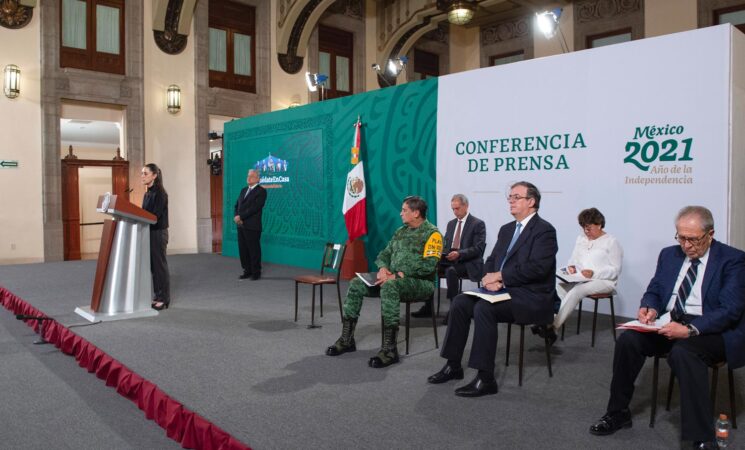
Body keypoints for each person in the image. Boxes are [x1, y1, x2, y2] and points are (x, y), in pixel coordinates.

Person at [588, 206, 745, 450]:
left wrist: (691, 329)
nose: (686, 245)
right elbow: (655, 290)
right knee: (629, 340)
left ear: (710, 234)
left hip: (710, 329)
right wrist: (648, 307)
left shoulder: (732, 259)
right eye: (681, 237)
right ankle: (617, 412)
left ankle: (702, 438)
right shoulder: (669, 255)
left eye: (693, 239)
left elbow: (730, 310)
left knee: (684, 352)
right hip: (670, 321)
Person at [428, 181, 558, 397]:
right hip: (500, 289)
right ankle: (453, 365)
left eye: (517, 197)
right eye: (510, 197)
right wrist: (489, 278)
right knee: (460, 302)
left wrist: (502, 277)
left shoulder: (544, 231)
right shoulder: (507, 229)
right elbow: (491, 259)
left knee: (483, 309)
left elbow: (538, 268)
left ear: (532, 202)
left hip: (531, 296)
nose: (511, 200)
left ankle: (485, 378)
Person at [326, 196, 443, 368]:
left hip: (420, 284)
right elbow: (384, 254)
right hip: (392, 279)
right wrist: (382, 268)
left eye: (404, 210)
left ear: (416, 213)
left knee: (389, 286)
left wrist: (398, 275)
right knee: (356, 284)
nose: (400, 213)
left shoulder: (433, 234)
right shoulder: (400, 231)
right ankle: (346, 339)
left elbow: (429, 265)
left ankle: (389, 349)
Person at [550, 207, 623, 339]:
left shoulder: (611, 242)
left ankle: (553, 327)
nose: (585, 231)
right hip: (582, 278)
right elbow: (574, 259)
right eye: (584, 227)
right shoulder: (581, 239)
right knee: (559, 286)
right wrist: (571, 268)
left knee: (578, 290)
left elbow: (615, 270)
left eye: (589, 228)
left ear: (599, 225)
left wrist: (594, 274)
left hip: (605, 282)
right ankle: (549, 320)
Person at [412, 194, 486, 323]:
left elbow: (478, 249)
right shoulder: (451, 224)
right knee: (428, 266)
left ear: (466, 206)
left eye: (457, 208)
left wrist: (460, 254)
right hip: (450, 258)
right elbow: (446, 244)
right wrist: (440, 251)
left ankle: (454, 309)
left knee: (451, 271)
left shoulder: (478, 224)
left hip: (468, 262)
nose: (455, 212)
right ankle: (428, 306)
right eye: (453, 209)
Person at [141, 163, 171, 311]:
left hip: (158, 233)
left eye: (145, 173)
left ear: (154, 175)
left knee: (159, 266)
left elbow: (155, 216)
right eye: (142, 173)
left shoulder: (160, 193)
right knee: (153, 267)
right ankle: (157, 295)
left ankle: (164, 299)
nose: (142, 176)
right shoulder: (147, 193)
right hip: (149, 232)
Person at [234, 169, 267, 280]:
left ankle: (256, 272)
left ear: (258, 179)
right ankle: (247, 270)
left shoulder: (261, 191)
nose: (249, 177)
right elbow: (236, 205)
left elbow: (255, 208)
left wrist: (241, 216)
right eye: (248, 175)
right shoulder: (243, 190)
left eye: (252, 176)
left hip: (252, 226)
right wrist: (236, 216)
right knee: (243, 250)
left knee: (254, 250)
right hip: (240, 225)